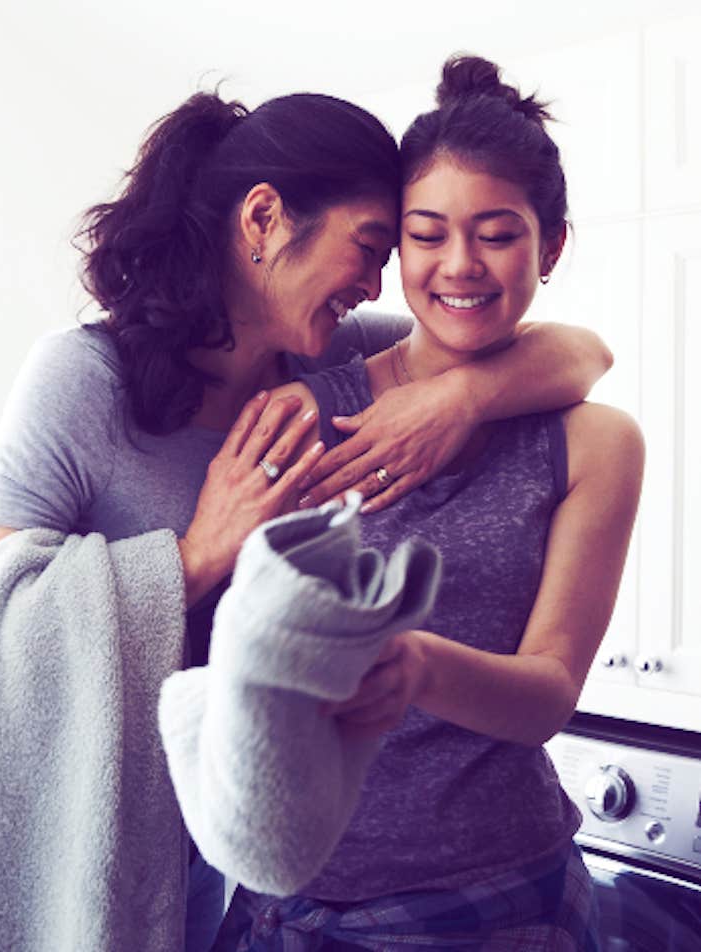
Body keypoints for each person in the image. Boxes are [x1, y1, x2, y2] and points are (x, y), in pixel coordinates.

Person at [0, 88, 610, 951]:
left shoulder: (327, 354)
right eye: (375, 249)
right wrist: (195, 554)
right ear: (263, 219)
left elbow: (574, 350)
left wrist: (461, 396)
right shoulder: (82, 380)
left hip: (222, 840)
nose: (377, 284)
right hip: (91, 818)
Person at [212, 55, 644, 951]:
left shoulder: (595, 443)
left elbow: (548, 696)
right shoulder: (302, 408)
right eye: (427, 233)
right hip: (283, 904)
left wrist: (414, 665)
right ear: (396, 249)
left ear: (551, 246)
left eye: (497, 234)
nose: (461, 265)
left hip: (497, 902)